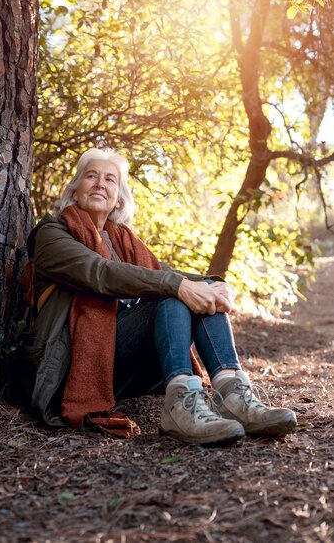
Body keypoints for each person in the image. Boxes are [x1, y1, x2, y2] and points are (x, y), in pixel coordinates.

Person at [26, 147, 297, 445]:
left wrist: (214, 285)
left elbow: (167, 274)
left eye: (110, 179)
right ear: (75, 189)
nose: (100, 183)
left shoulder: (123, 241)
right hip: (75, 367)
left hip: (122, 363)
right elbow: (100, 273)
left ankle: (233, 396)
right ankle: (181, 407)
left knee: (190, 289)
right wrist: (181, 286)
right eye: (91, 176)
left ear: (118, 198)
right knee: (170, 294)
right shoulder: (51, 235)